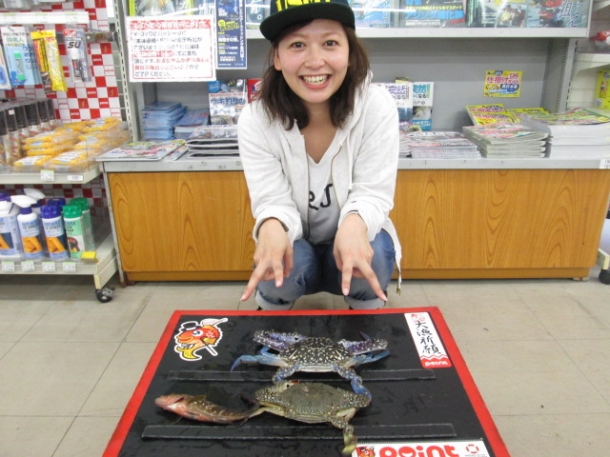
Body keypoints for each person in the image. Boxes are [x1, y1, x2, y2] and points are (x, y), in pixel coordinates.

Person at [237, 0, 402, 311]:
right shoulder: (256, 119)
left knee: (376, 250)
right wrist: (270, 224)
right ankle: (273, 312)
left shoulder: (376, 106)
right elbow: (271, 199)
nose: (315, 61)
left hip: (350, 243)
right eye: (297, 45)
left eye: (330, 43)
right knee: (278, 261)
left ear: (350, 53)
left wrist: (354, 224)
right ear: (277, 57)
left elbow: (372, 194)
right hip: (299, 249)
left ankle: (366, 315)